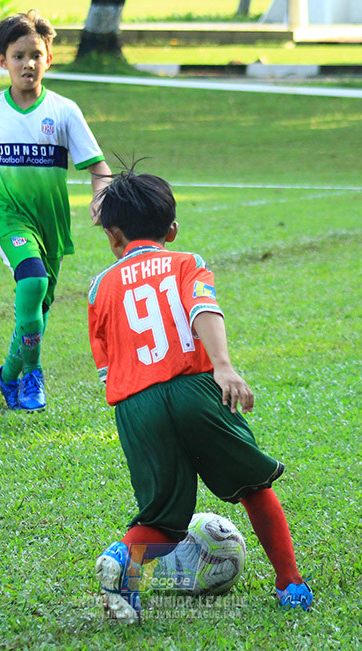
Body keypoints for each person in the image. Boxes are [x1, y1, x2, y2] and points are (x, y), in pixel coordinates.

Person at [86, 166, 313, 622]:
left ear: (113, 238)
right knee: (253, 485)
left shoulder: (98, 288)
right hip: (194, 388)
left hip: (134, 405)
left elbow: (106, 366)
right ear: (171, 229)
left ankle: (121, 561)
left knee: (164, 521)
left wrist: (137, 409)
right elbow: (203, 308)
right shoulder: (187, 263)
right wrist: (224, 367)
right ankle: (290, 583)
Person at [0, 10, 110, 413]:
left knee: (39, 309)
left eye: (35, 55)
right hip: (3, 217)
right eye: (18, 56)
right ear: (2, 61)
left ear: (48, 59)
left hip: (48, 223)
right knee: (31, 282)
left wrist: (101, 195)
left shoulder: (64, 111)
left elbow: (98, 168)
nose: (27, 63)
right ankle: (33, 373)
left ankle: (10, 372)